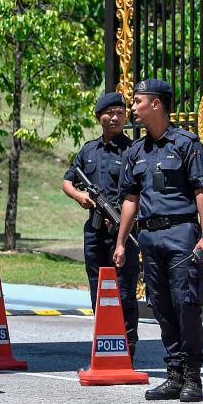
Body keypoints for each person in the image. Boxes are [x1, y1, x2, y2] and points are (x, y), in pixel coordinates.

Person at [114, 79, 203, 403]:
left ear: (156, 104)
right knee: (159, 306)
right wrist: (121, 242)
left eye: (138, 101)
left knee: (185, 303)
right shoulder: (135, 151)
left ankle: (192, 377)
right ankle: (173, 374)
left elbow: (202, 190)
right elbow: (130, 199)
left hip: (181, 234)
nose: (133, 108)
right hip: (149, 236)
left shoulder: (187, 144)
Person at [62, 91, 140, 354]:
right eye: (110, 113)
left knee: (125, 289)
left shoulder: (133, 150)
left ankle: (127, 346)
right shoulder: (88, 151)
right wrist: (80, 196)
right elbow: (67, 181)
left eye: (120, 113)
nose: (115, 117)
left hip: (123, 230)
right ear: (100, 117)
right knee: (97, 286)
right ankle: (104, 340)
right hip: (96, 231)